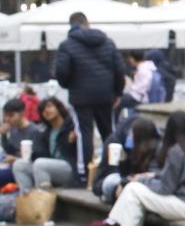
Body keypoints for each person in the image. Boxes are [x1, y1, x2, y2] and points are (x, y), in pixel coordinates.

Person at [97, 110, 185, 226]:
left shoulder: (176, 151)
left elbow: (165, 188)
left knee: (133, 189)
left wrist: (142, 180)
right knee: (135, 190)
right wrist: (153, 176)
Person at [52, 11, 128, 172]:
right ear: (88, 24)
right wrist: (118, 92)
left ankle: (84, 171)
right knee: (108, 131)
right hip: (106, 94)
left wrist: (68, 85)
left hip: (80, 96)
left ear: (71, 26)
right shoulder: (107, 42)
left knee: (85, 133)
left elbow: (62, 72)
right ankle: (113, 166)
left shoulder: (67, 45)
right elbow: (119, 70)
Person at [13, 96, 81, 192]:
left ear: (58, 108)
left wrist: (72, 142)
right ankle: (26, 197)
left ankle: (41, 199)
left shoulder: (72, 127)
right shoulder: (46, 132)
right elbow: (43, 155)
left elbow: (77, 153)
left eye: (50, 107)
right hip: (50, 167)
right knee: (19, 164)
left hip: (70, 168)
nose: (47, 111)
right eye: (43, 110)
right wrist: (32, 153)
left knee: (40, 164)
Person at [96, 116, 162, 205]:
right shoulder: (135, 149)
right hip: (136, 181)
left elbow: (152, 176)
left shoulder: (157, 151)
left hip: (148, 185)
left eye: (131, 134)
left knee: (114, 183)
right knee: (111, 182)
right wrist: (123, 161)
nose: (130, 137)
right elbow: (125, 174)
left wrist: (125, 182)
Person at [1, 98, 44, 188]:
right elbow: (10, 151)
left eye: (11, 116)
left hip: (28, 168)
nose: (8, 119)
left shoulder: (34, 131)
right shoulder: (13, 129)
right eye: (6, 116)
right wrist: (4, 136)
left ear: (22, 114)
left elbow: (37, 157)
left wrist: (16, 160)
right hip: (13, 166)